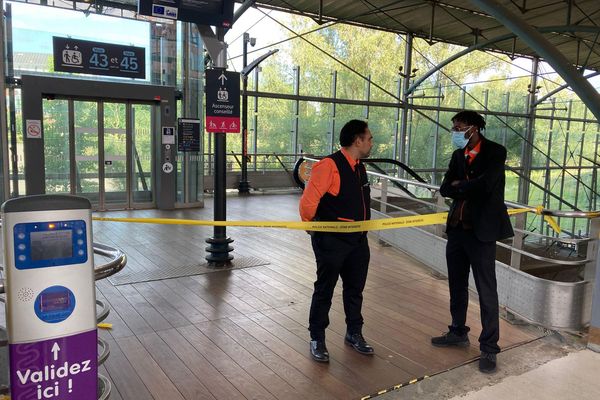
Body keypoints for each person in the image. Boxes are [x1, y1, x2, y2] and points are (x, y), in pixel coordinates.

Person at [432, 110, 514, 373]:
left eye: (461, 127)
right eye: (454, 128)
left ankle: (489, 348)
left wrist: (461, 185)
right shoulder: (458, 155)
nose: (456, 132)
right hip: (457, 229)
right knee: (457, 284)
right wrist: (464, 185)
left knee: (486, 290)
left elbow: (487, 185)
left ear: (475, 128)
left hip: (482, 232)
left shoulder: (495, 152)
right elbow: (445, 188)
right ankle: (458, 331)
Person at [299, 119, 375, 363]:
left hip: (358, 241)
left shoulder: (359, 167)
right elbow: (307, 204)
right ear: (357, 140)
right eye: (369, 138)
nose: (371, 142)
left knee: (355, 290)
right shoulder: (328, 166)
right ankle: (317, 337)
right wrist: (315, 227)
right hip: (332, 242)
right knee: (325, 289)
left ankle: (354, 333)